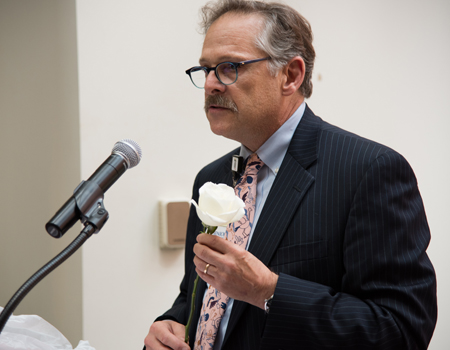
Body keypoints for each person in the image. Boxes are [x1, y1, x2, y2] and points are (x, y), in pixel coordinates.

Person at [144, 0, 437, 349]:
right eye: (206, 69)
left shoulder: (368, 171)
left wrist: (268, 290)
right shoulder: (212, 178)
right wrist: (171, 324)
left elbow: (401, 330)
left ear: (291, 75)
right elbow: (200, 297)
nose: (210, 84)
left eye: (228, 67)